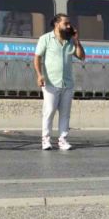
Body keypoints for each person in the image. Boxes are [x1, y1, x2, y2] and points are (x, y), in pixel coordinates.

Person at [34, 13, 86, 150]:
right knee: (49, 111)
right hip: (51, 83)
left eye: (69, 24)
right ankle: (45, 140)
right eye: (66, 23)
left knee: (65, 114)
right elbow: (37, 58)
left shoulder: (70, 41)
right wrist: (39, 75)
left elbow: (81, 57)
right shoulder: (45, 39)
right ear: (57, 24)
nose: (69, 26)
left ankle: (63, 140)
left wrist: (77, 41)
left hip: (67, 84)